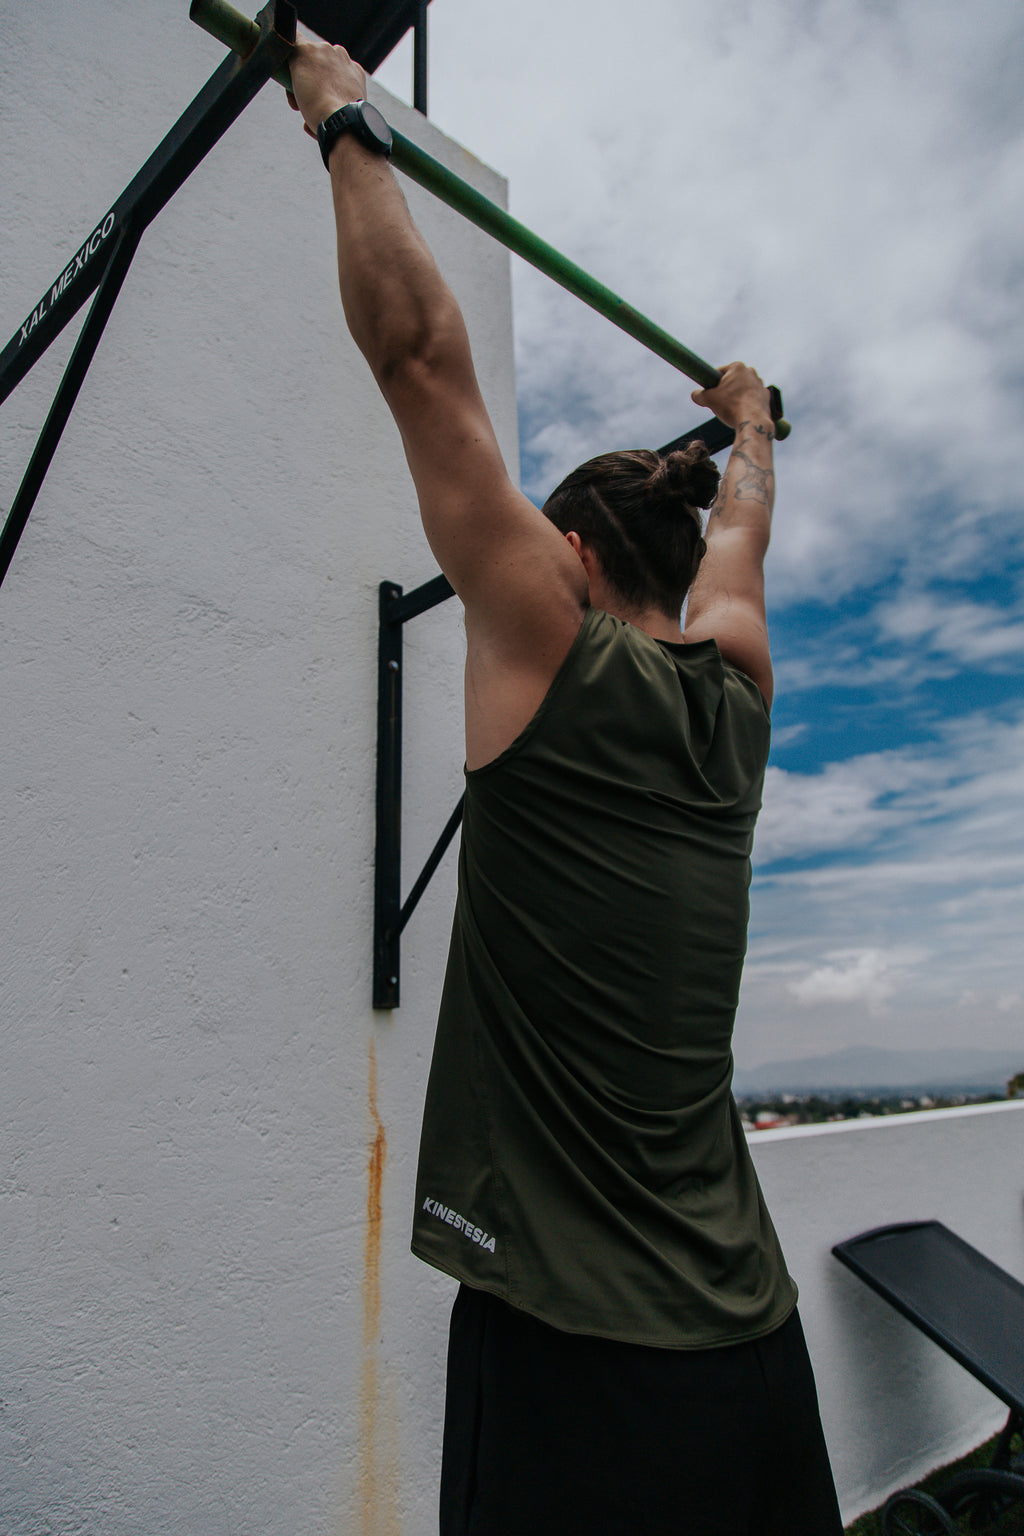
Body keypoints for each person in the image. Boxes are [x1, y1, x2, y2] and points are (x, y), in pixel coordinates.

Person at [287, 38, 843, 1536]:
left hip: (583, 1374)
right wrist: (750, 425)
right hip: (755, 1352)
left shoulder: (551, 646)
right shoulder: (739, 692)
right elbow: (746, 533)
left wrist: (337, 112)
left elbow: (420, 361)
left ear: (576, 565)